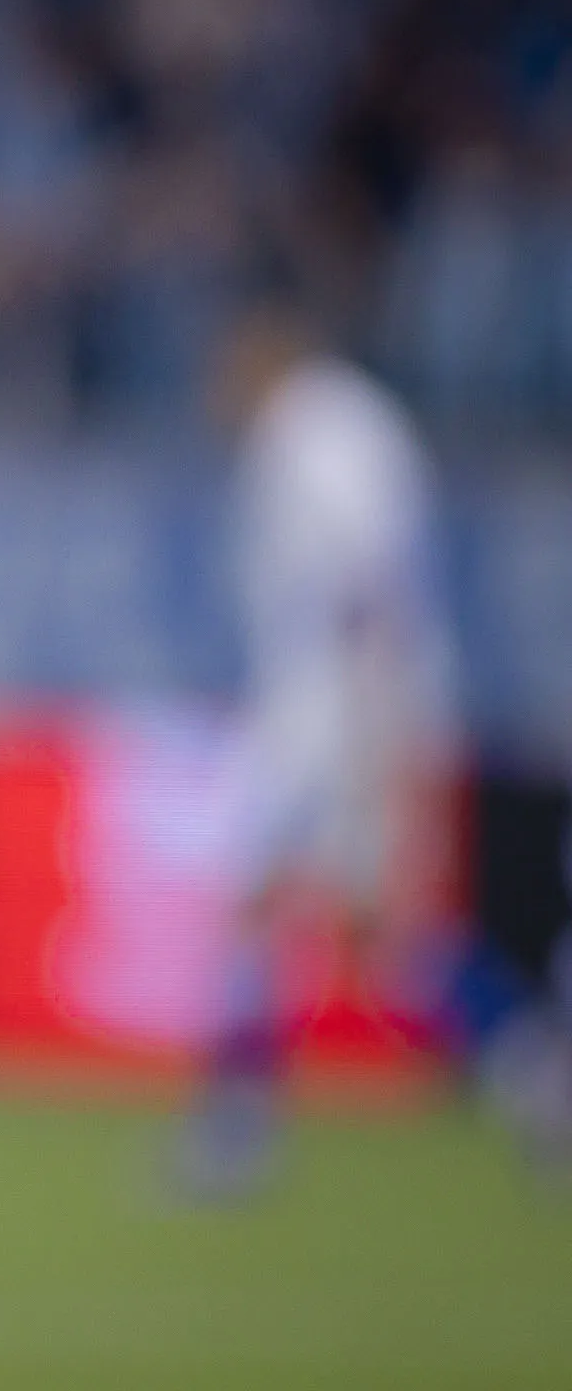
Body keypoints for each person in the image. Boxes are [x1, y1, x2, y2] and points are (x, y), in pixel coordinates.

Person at [178, 305, 568, 1195]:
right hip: (342, 706)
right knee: (383, 935)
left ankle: (236, 1130)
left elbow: (370, 589)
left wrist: (375, 738)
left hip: (338, 714)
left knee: (265, 905)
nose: (213, 394)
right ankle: (535, 1073)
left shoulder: (321, 436)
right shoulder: (335, 429)